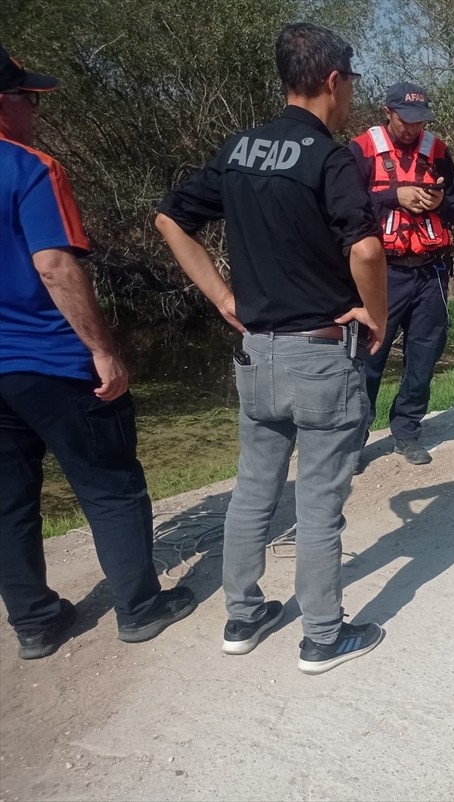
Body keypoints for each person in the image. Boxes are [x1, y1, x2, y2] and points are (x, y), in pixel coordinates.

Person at [155, 23, 388, 674]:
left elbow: (171, 217)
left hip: (257, 355)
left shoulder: (239, 149)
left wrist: (220, 296)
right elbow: (367, 248)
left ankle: (244, 614)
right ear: (334, 82)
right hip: (319, 354)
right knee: (318, 502)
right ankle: (321, 635)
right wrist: (376, 314)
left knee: (253, 490)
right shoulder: (329, 158)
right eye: (352, 85)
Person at [0, 44, 197, 659]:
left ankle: (35, 623)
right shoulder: (30, 168)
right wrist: (103, 351)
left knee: (7, 499)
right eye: (29, 98)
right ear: (4, 102)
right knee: (112, 484)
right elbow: (55, 265)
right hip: (49, 357)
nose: (35, 110)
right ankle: (139, 607)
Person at [347, 82, 454, 467]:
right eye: (406, 120)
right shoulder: (362, 149)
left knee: (424, 356)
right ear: (388, 112)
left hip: (430, 273)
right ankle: (353, 441)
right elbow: (341, 205)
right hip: (382, 274)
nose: (413, 129)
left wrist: (440, 203)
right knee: (368, 359)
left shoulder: (438, 150)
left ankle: (407, 431)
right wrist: (392, 196)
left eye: (420, 122)